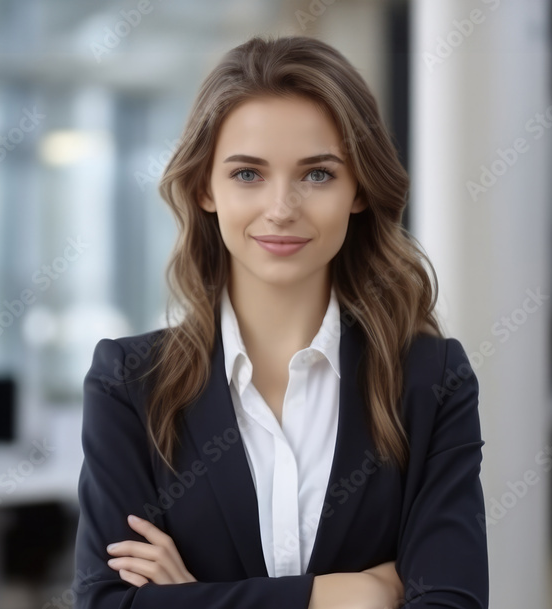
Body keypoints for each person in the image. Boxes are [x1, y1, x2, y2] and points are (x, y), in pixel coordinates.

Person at [72, 34, 488, 609]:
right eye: (248, 174)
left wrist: (197, 598)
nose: (281, 208)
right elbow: (105, 604)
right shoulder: (130, 383)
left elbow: (452, 602)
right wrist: (343, 596)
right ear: (204, 188)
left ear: (359, 189)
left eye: (317, 175)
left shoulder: (431, 380)